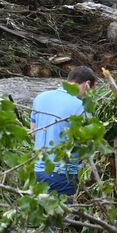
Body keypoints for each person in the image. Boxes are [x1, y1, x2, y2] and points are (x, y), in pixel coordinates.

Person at [31, 66, 97, 196]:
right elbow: (86, 143)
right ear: (87, 85)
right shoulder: (80, 106)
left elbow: (33, 134)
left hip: (38, 170)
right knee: (65, 214)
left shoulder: (40, 98)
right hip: (63, 174)